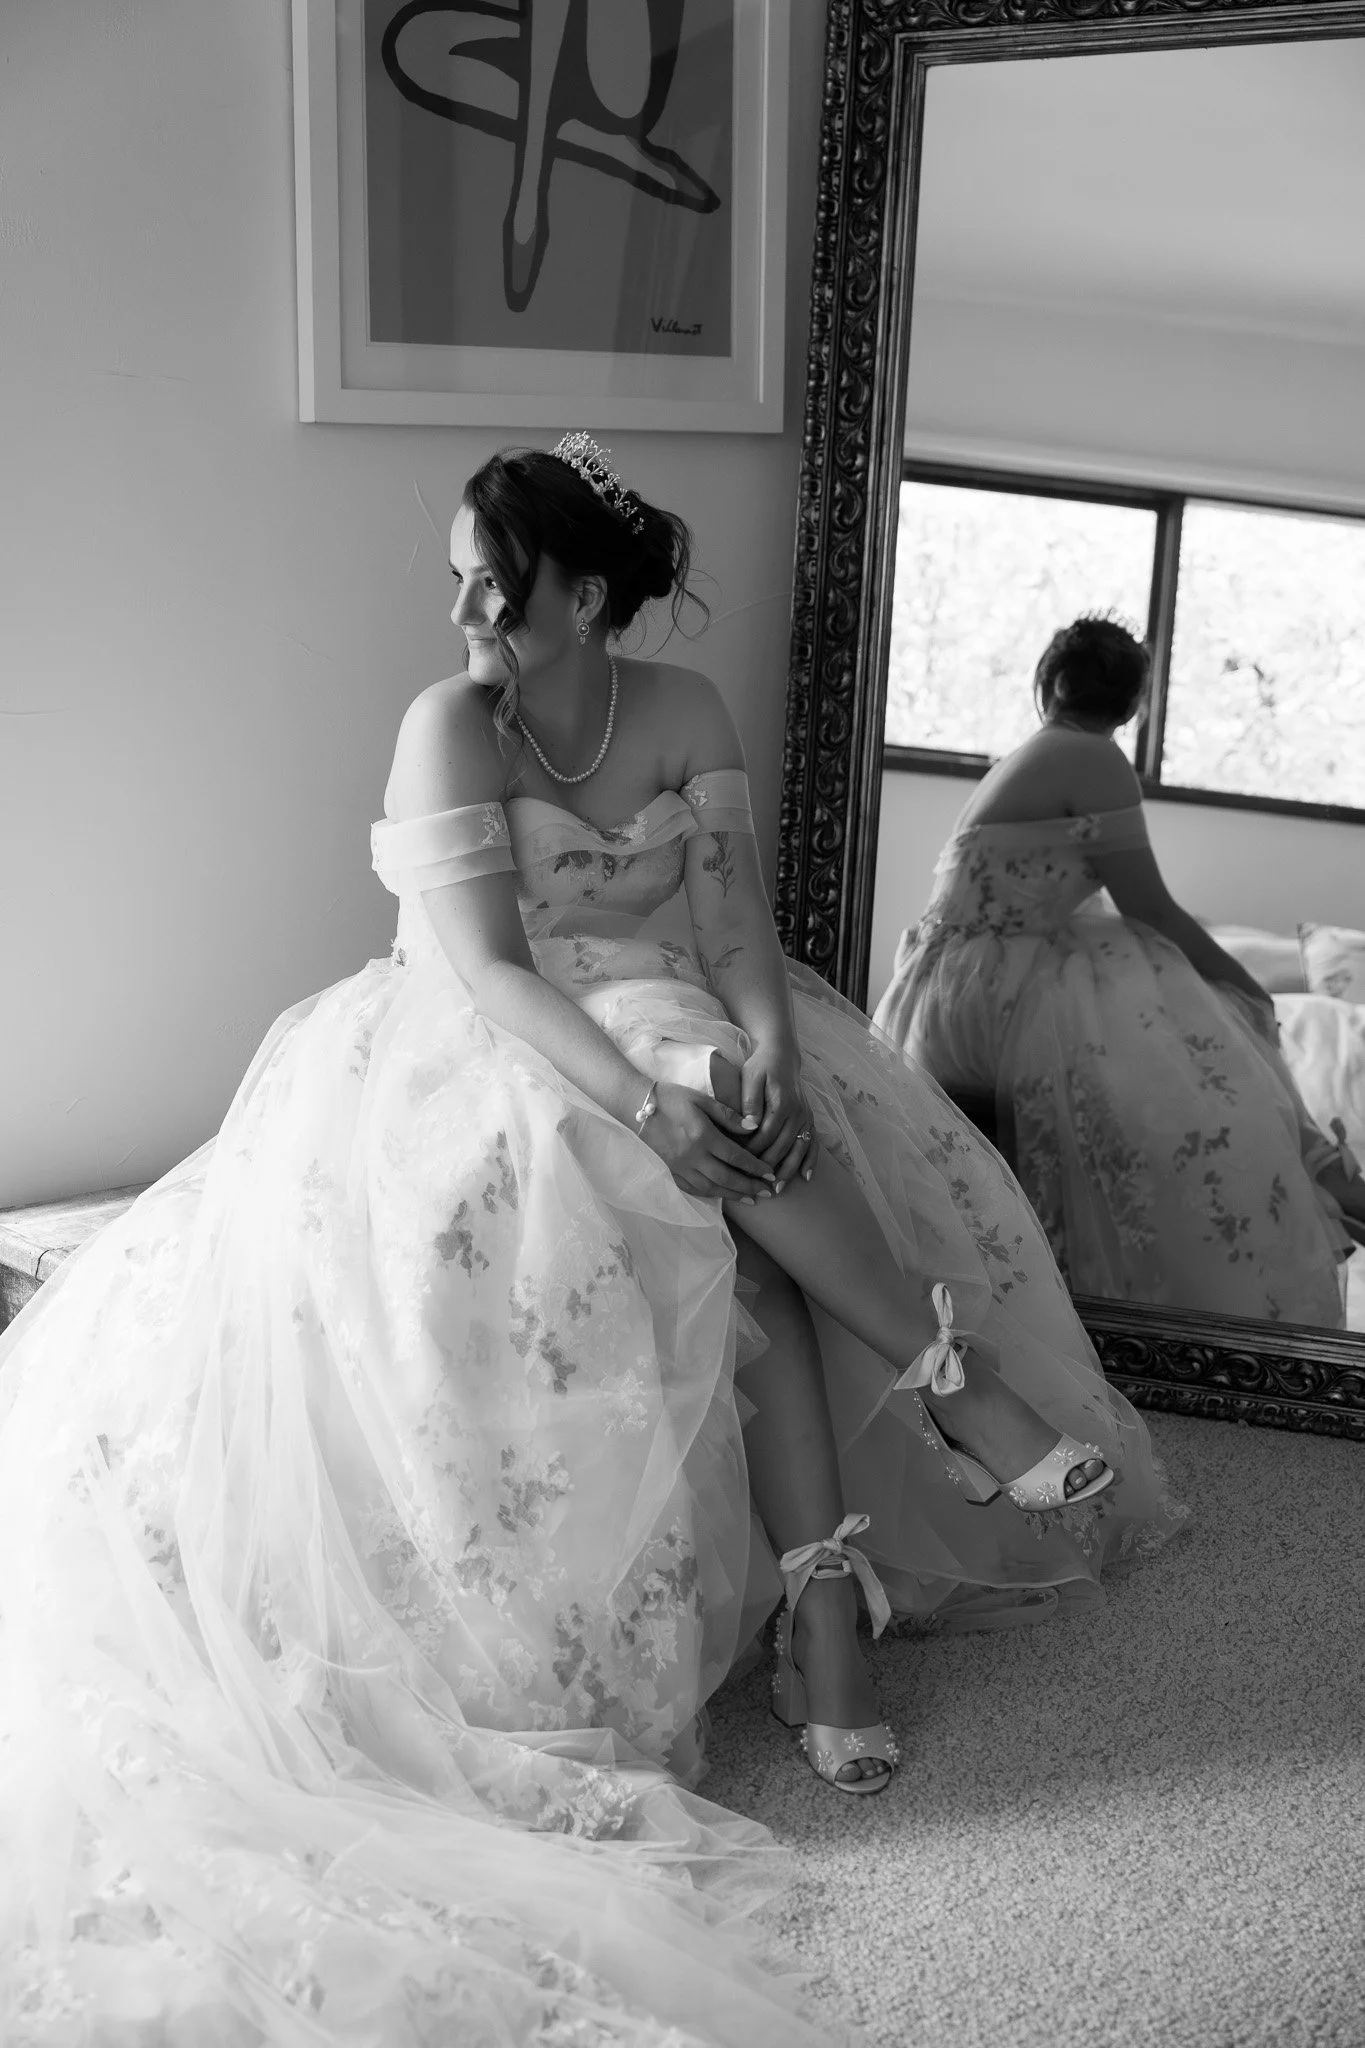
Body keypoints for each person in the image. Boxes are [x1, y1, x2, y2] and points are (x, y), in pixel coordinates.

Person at [0, 460, 1183, 2046]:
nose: (467, 611)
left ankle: (835, 1605)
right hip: (501, 1036)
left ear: (585, 595)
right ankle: (925, 1424)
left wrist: (765, 1042)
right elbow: (486, 967)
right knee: (719, 1172)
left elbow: (736, 925)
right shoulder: (450, 722)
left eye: (494, 582)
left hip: (677, 1013)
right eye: (460, 581)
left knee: (749, 1153)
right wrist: (656, 1100)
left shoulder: (682, 706)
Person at [874, 613, 1362, 1325]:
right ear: (1133, 704)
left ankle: (1320, 1173)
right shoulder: (1093, 758)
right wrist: (1247, 987)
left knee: (1177, 1011)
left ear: (1047, 682)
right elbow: (1152, 909)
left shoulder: (1035, 751)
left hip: (943, 990)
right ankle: (1311, 1195)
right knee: (1206, 1050)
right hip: (981, 999)